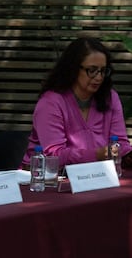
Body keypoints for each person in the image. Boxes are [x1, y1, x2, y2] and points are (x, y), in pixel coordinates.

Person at [21, 37, 132, 169]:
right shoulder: (50, 102)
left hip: (98, 175)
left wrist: (128, 154)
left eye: (103, 71)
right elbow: (54, 155)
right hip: (44, 179)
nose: (99, 77)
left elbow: (120, 143)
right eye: (92, 70)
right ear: (73, 69)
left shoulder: (110, 97)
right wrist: (98, 154)